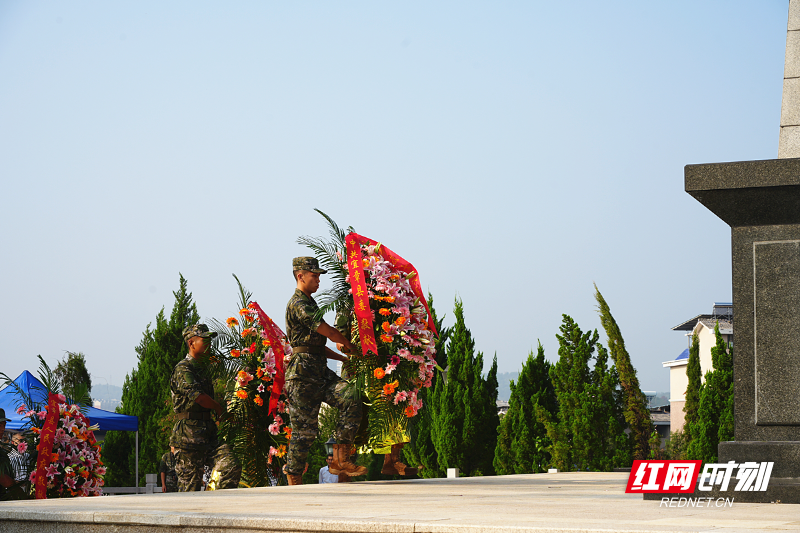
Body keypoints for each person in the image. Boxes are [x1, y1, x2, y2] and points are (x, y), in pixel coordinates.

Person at [284, 256, 367, 485]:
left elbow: (317, 345)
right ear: (300, 276)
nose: (319, 280)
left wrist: (342, 357)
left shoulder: (310, 303)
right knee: (304, 433)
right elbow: (328, 332)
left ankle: (339, 458)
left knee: (351, 396)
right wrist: (350, 347)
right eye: (315, 275)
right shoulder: (298, 303)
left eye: (319, 275)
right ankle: (294, 480)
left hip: (320, 373)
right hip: (302, 377)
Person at [170, 323, 241, 491]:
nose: (209, 344)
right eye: (204, 340)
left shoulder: (203, 369)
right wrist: (218, 408)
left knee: (230, 464)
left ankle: (212, 498)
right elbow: (199, 398)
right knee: (189, 489)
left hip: (209, 433)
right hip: (188, 436)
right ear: (191, 343)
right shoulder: (183, 368)